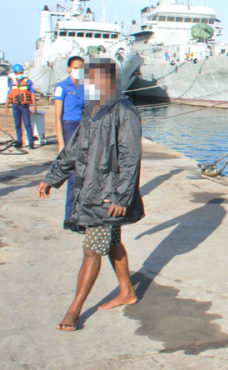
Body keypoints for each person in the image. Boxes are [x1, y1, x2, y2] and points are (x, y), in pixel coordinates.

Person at [37, 57, 145, 331]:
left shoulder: (124, 111)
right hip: (93, 191)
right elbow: (73, 149)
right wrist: (52, 177)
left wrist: (121, 197)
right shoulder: (92, 109)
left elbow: (131, 157)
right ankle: (127, 291)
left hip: (108, 197)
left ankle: (74, 310)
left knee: (92, 249)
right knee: (111, 242)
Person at [54, 56, 87, 231]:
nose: (78, 70)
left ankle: (77, 216)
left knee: (84, 175)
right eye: (75, 67)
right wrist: (61, 142)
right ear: (68, 68)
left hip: (85, 128)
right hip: (70, 127)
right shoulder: (62, 87)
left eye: (81, 67)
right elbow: (57, 116)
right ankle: (72, 219)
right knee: (75, 175)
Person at [5, 64, 37, 149]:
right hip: (15, 105)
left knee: (27, 124)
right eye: (17, 72)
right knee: (17, 124)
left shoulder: (28, 81)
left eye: (20, 72)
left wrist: (34, 106)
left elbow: (33, 94)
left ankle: (31, 142)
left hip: (24, 106)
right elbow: (9, 94)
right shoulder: (12, 82)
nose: (19, 74)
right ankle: (19, 141)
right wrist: (6, 106)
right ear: (15, 73)